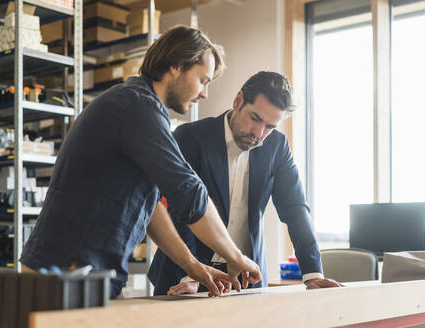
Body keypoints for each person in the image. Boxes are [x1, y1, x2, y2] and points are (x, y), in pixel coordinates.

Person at [20, 26, 262, 298]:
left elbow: (151, 208)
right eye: (203, 80)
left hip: (87, 273)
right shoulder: (137, 107)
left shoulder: (140, 107)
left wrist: (194, 266)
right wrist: (236, 256)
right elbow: (190, 192)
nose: (205, 93)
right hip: (65, 273)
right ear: (176, 66)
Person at [148, 71, 341, 295]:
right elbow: (180, 211)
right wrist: (193, 272)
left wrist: (312, 274)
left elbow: (295, 208)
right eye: (255, 118)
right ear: (238, 101)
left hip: (245, 279)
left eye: (270, 127)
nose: (259, 134)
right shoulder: (191, 136)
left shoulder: (277, 146)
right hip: (184, 275)